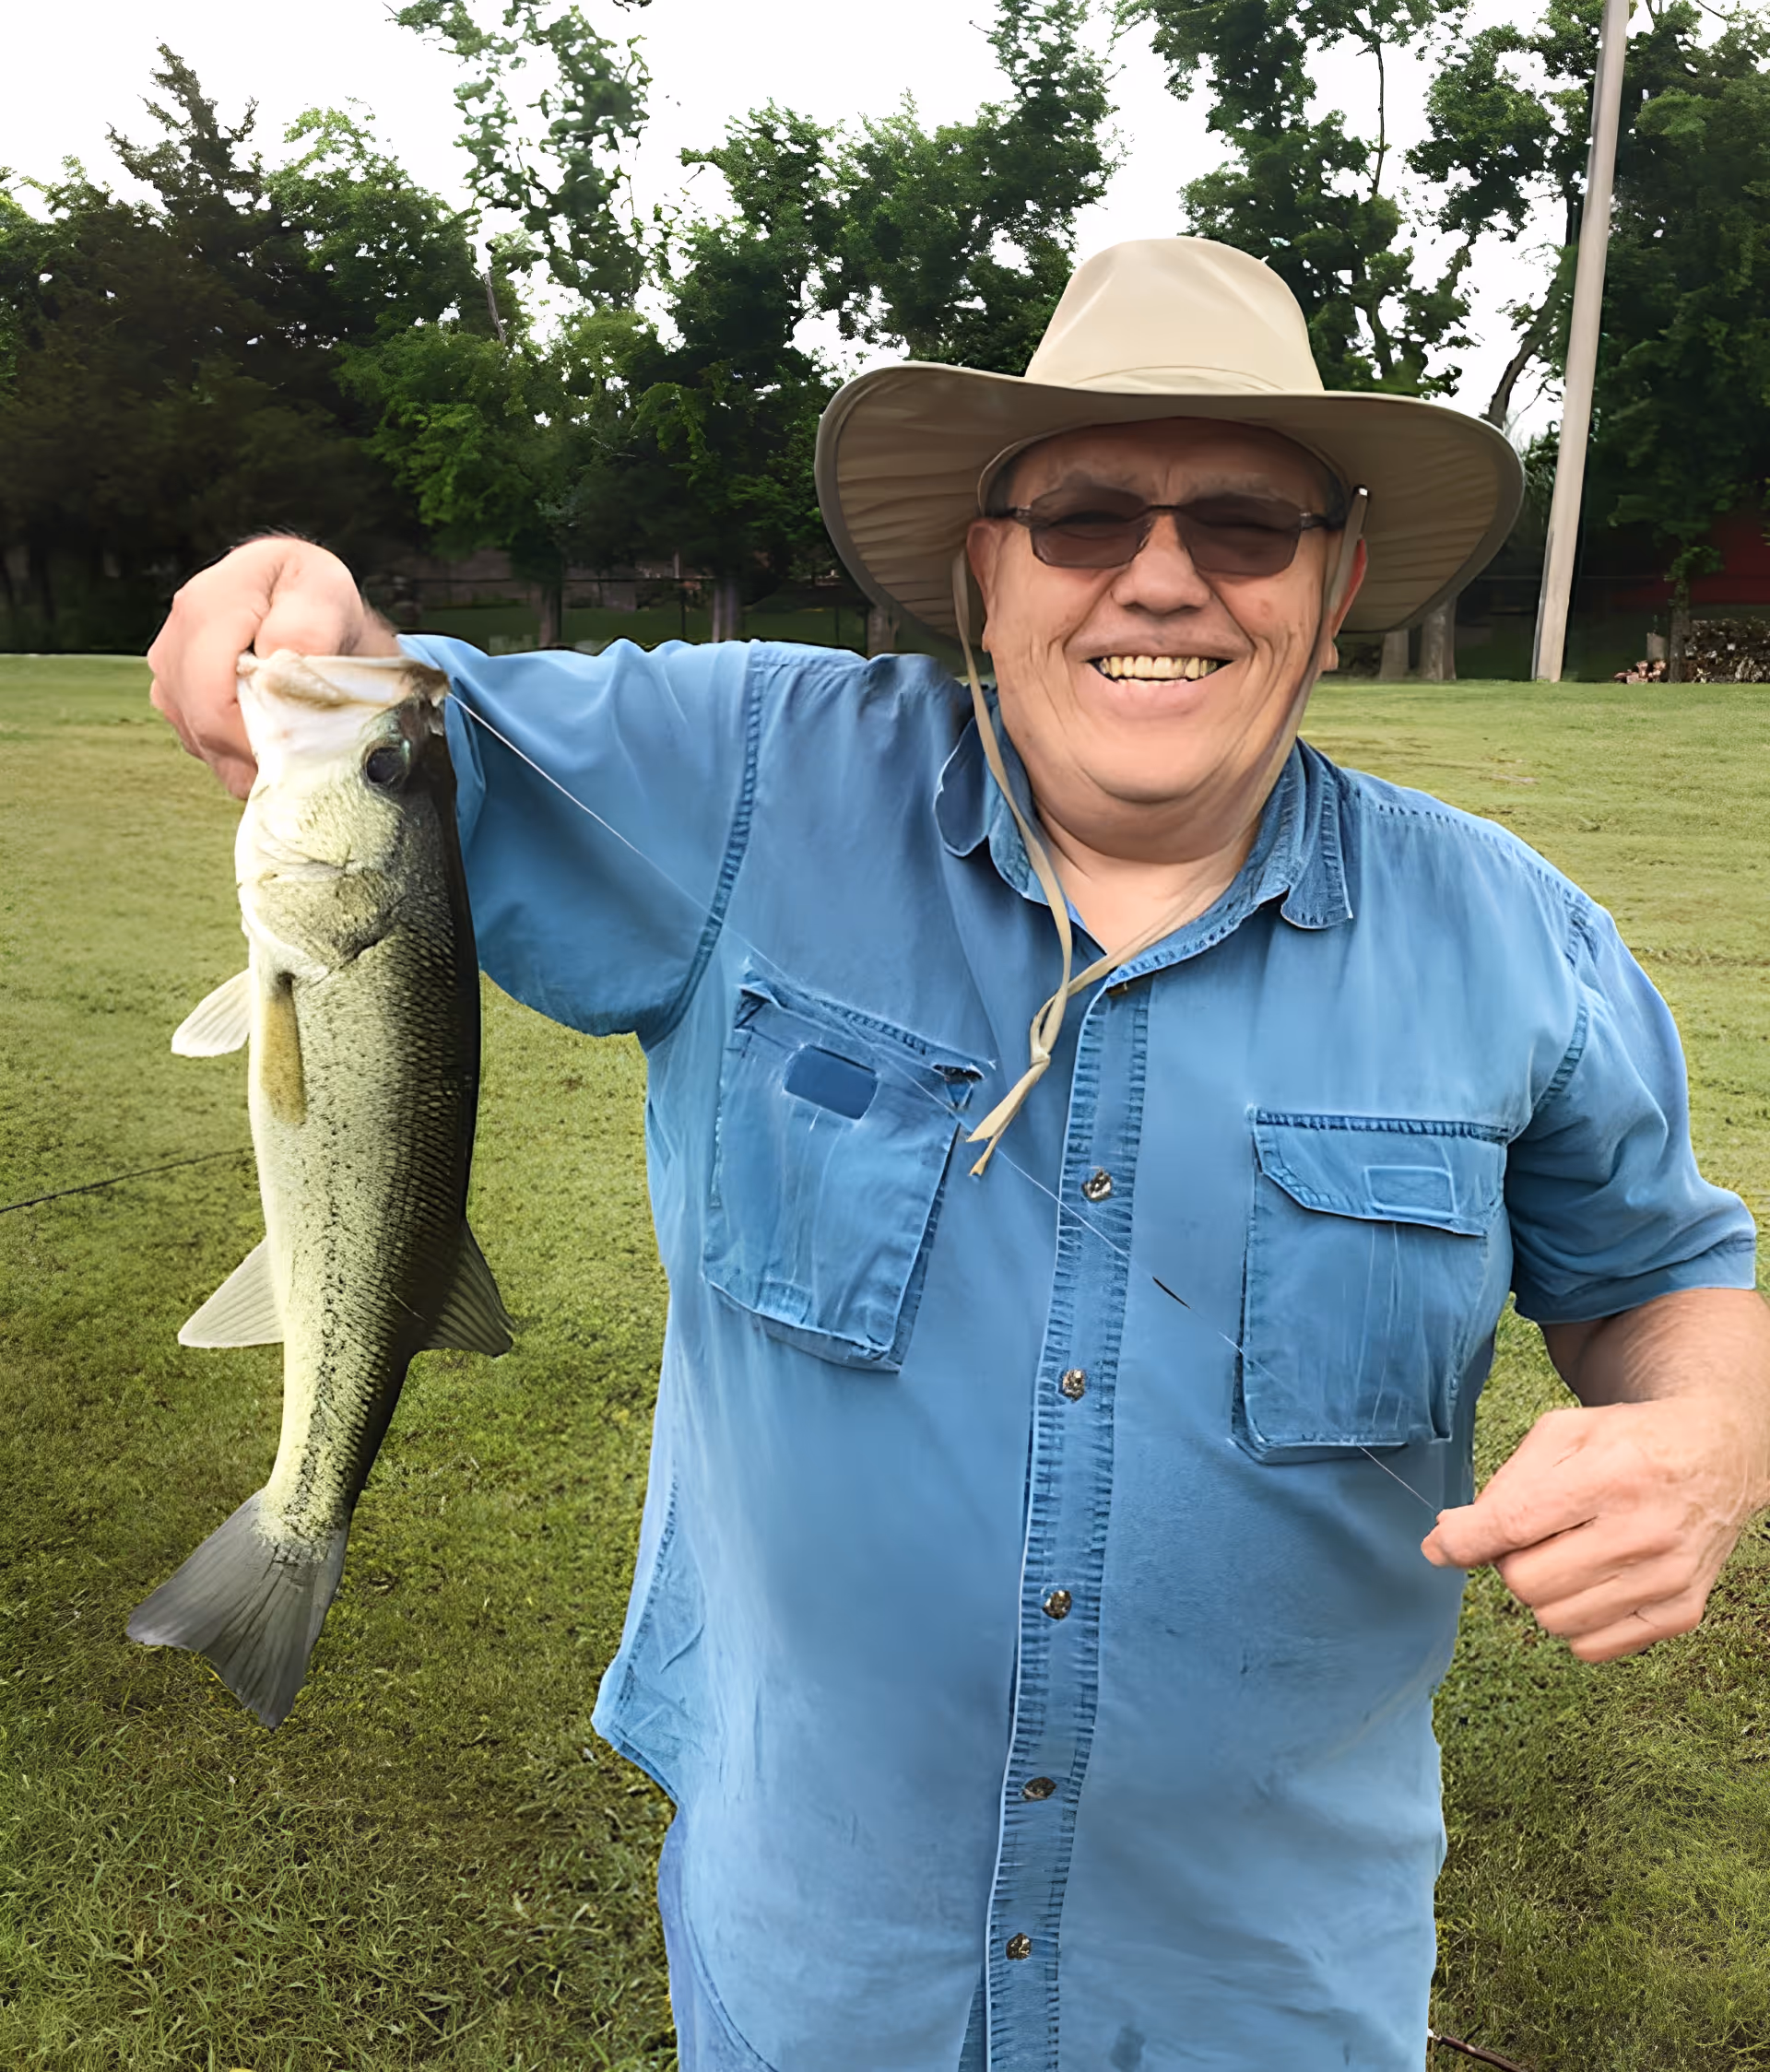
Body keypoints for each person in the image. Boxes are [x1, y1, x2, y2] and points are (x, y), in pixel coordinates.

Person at [147, 239, 1770, 2072]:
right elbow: (379, 730)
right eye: (1081, 515)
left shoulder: (1520, 941)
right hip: (818, 1971)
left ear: (1336, 594)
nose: (1162, 573)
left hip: (1269, 1999)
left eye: (1248, 524)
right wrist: (287, 611)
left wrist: (1710, 1433)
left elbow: (1667, 1274)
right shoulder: (743, 776)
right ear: (980, 573)